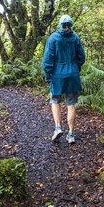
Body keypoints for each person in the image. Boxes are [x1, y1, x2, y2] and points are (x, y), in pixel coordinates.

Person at [42, 14, 86, 144]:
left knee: (55, 101)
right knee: (71, 104)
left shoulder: (53, 38)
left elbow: (47, 59)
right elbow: (81, 57)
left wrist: (47, 74)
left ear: (60, 24)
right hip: (72, 74)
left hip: (57, 75)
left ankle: (57, 128)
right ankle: (71, 134)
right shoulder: (75, 38)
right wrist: (75, 67)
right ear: (71, 25)